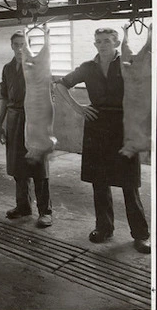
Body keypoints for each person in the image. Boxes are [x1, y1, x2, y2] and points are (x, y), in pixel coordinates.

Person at [55, 27, 150, 254]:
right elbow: (60, 84)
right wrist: (78, 108)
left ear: (116, 43)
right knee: (100, 181)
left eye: (107, 41)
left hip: (122, 125)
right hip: (97, 126)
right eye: (98, 41)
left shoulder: (128, 63)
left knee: (129, 183)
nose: (102, 44)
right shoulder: (88, 67)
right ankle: (104, 228)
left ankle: (141, 235)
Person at [0, 31, 53, 228]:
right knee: (18, 167)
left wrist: (44, 123)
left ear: (28, 45)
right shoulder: (7, 69)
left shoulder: (37, 66)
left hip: (34, 118)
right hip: (14, 119)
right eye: (16, 44)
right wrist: (0, 123)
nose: (20, 48)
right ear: (11, 46)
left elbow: (49, 95)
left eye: (23, 44)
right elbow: (3, 97)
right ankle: (23, 206)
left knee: (38, 167)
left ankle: (45, 212)